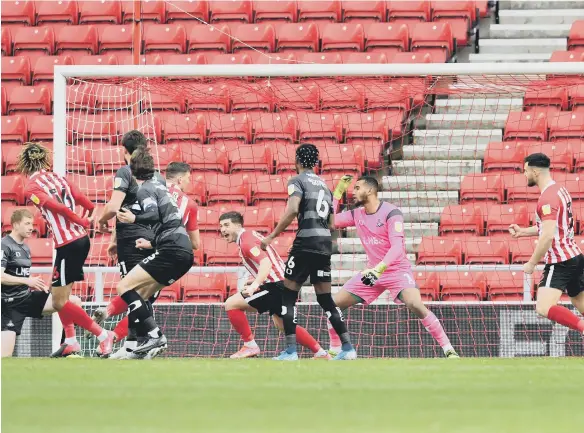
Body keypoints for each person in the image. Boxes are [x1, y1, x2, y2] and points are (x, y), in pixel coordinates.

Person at [330, 175, 459, 358]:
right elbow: (330, 221)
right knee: (333, 305)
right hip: (372, 272)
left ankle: (448, 349)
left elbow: (397, 247)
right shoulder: (356, 214)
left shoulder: (392, 212)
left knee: (415, 304)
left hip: (396, 270)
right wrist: (337, 193)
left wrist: (380, 268)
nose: (354, 192)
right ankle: (336, 350)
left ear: (370, 190)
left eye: (357, 188)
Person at [17, 142, 115, 358]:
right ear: (44, 159)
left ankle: (102, 335)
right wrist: (90, 209)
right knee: (60, 293)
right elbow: (78, 195)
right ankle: (70, 341)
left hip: (67, 244)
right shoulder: (57, 177)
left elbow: (56, 207)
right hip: (78, 241)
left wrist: (79, 219)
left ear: (24, 163)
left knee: (58, 300)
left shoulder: (32, 187)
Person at [261, 144, 355, 361]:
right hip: (324, 244)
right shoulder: (324, 186)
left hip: (305, 243)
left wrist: (271, 236)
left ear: (297, 161)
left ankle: (291, 351)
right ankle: (348, 348)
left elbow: (293, 209)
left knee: (288, 296)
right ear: (316, 162)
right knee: (326, 300)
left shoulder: (297, 181)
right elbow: (332, 223)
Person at [114, 147, 194, 358]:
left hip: (172, 249)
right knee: (141, 294)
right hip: (182, 250)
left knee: (124, 286)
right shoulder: (161, 187)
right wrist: (151, 243)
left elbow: (151, 213)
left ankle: (154, 334)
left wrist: (134, 219)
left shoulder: (145, 189)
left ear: (132, 171)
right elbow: (165, 218)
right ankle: (138, 348)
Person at [93, 130, 166, 357]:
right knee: (142, 292)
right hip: (153, 239)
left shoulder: (126, 171)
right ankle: (135, 346)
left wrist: (101, 220)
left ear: (124, 150)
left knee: (131, 292)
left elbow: (115, 207)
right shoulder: (158, 177)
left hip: (132, 239)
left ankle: (146, 340)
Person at [220, 211, 330, 359]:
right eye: (221, 226)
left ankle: (250, 346)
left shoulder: (246, 242)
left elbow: (266, 263)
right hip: (284, 282)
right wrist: (256, 279)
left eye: (227, 225)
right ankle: (320, 353)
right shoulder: (250, 235)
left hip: (276, 285)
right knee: (282, 325)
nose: (223, 230)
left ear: (238, 225)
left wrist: (255, 285)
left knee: (231, 304)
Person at [509, 153, 584, 334]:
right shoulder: (560, 190)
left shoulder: (547, 198)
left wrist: (532, 263)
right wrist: (523, 232)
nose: (525, 175)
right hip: (575, 256)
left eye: (526, 171)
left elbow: (548, 235)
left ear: (535, 171)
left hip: (560, 261)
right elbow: (556, 226)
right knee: (579, 303)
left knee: (543, 307)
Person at [1, 209, 83, 357]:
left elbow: (19, 275)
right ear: (15, 225)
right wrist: (28, 281)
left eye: (32, 224)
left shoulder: (25, 247)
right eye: (26, 224)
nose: (31, 227)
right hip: (9, 305)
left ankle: (66, 348)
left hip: (26, 297)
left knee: (73, 302)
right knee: (4, 357)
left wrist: (34, 284)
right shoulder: (4, 245)